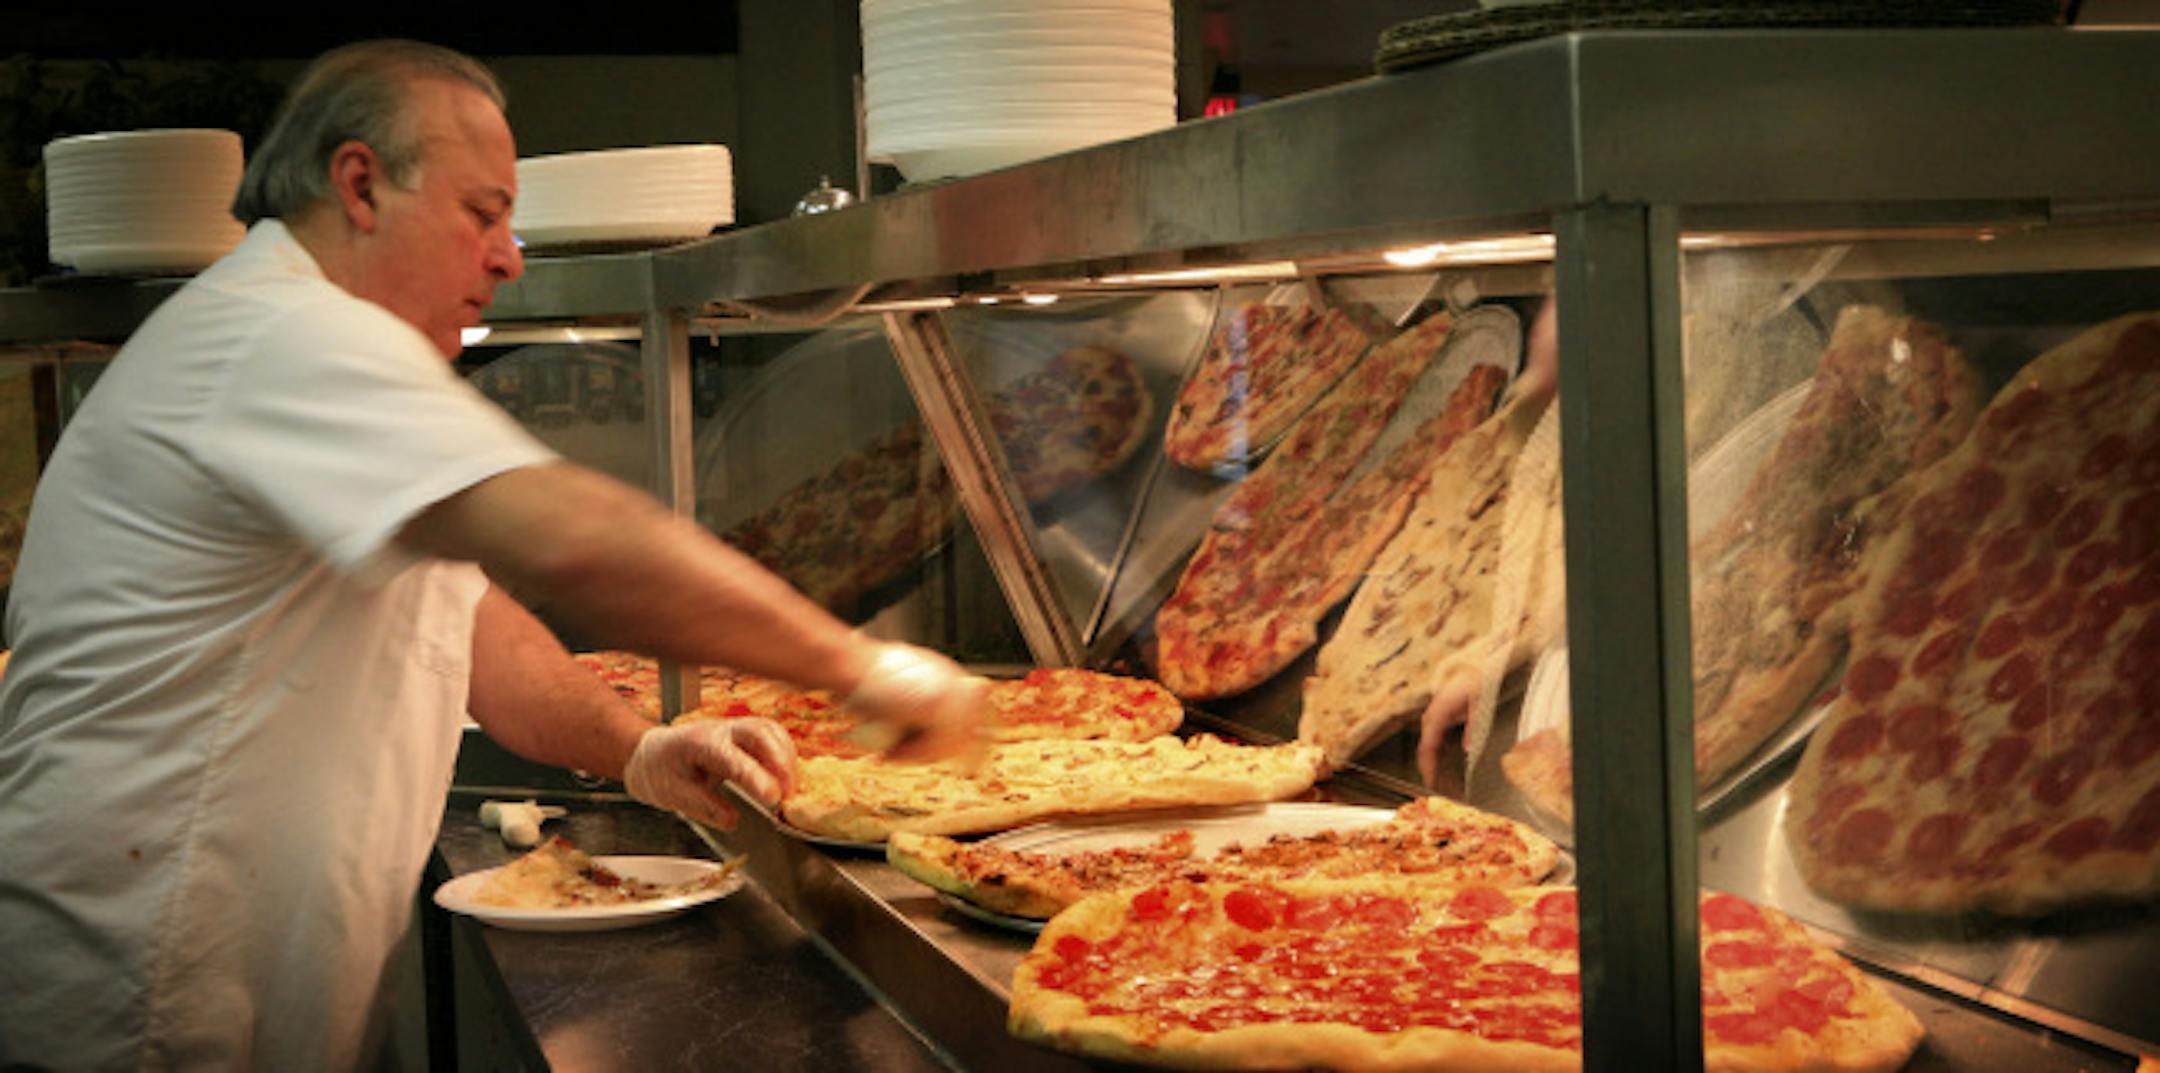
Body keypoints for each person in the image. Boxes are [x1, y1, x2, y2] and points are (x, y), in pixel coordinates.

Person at [0, 40, 985, 1072]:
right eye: (482, 213)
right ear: (360, 184)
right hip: (136, 998)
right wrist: (863, 665)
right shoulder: (283, 336)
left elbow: (467, 624)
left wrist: (636, 748)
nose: (510, 254)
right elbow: (574, 544)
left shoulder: (307, 347)